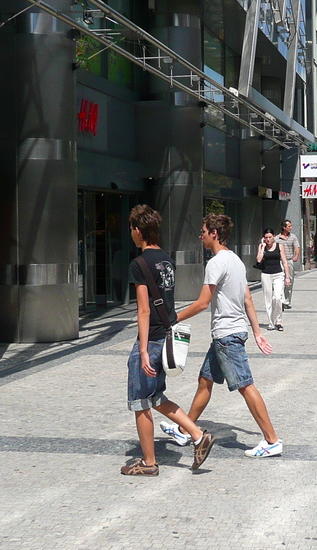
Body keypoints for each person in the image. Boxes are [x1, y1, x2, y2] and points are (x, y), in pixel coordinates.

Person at [163, 214, 283, 458]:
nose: (201, 235)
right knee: (205, 380)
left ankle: (271, 440)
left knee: (245, 385)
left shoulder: (216, 262)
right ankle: (184, 431)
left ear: (214, 234)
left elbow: (202, 303)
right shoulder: (236, 261)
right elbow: (248, 298)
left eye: (203, 231)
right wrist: (257, 333)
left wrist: (173, 317)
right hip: (231, 333)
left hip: (227, 335)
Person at [121, 204, 214, 476]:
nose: (131, 234)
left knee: (140, 401)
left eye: (131, 230)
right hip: (166, 337)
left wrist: (142, 349)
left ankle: (149, 463)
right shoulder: (167, 259)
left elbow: (143, 309)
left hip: (150, 341)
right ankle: (198, 436)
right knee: (156, 396)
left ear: (138, 231)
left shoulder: (139, 264)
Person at [255, 228, 291, 331]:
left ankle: (278, 321)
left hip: (278, 274)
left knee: (277, 297)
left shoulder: (280, 246)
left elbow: (284, 262)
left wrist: (287, 277)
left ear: (274, 236)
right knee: (268, 299)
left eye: (270, 237)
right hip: (266, 275)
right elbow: (258, 259)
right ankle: (271, 322)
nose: (268, 239)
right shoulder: (262, 246)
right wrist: (262, 247)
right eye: (266, 238)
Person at [276, 219, 301, 309]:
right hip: (279, 261)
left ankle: (286, 301)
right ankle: (281, 300)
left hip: (289, 261)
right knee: (280, 281)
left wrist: (296, 255)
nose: (291, 228)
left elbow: (297, 247)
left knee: (289, 281)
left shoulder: (293, 237)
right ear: (284, 227)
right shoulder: (277, 238)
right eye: (289, 226)